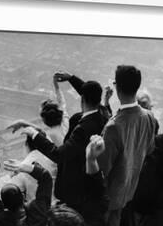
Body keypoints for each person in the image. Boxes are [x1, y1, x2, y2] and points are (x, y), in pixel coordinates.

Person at [8, 72, 108, 212]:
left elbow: (58, 154)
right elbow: (79, 97)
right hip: (87, 179)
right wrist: (72, 79)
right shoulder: (102, 114)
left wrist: (31, 131)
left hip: (73, 184)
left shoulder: (82, 128)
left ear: (82, 98)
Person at [97, 65, 159, 226]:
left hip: (108, 196)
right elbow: (149, 149)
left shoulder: (114, 127)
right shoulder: (149, 117)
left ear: (117, 88)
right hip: (129, 189)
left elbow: (102, 170)